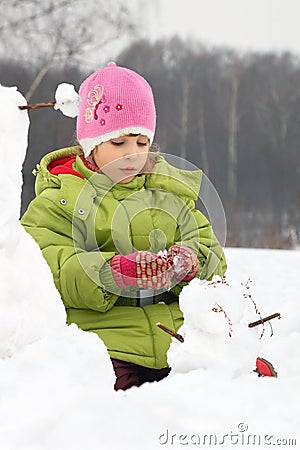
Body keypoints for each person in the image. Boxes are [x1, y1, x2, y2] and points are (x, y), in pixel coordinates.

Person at [21, 61, 227, 391]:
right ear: (91, 145)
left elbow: (211, 254)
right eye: (119, 144)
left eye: (142, 143)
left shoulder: (168, 192)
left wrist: (192, 264)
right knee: (103, 399)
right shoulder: (59, 199)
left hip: (179, 340)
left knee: (222, 382)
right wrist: (110, 273)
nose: (132, 155)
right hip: (106, 343)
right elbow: (45, 270)